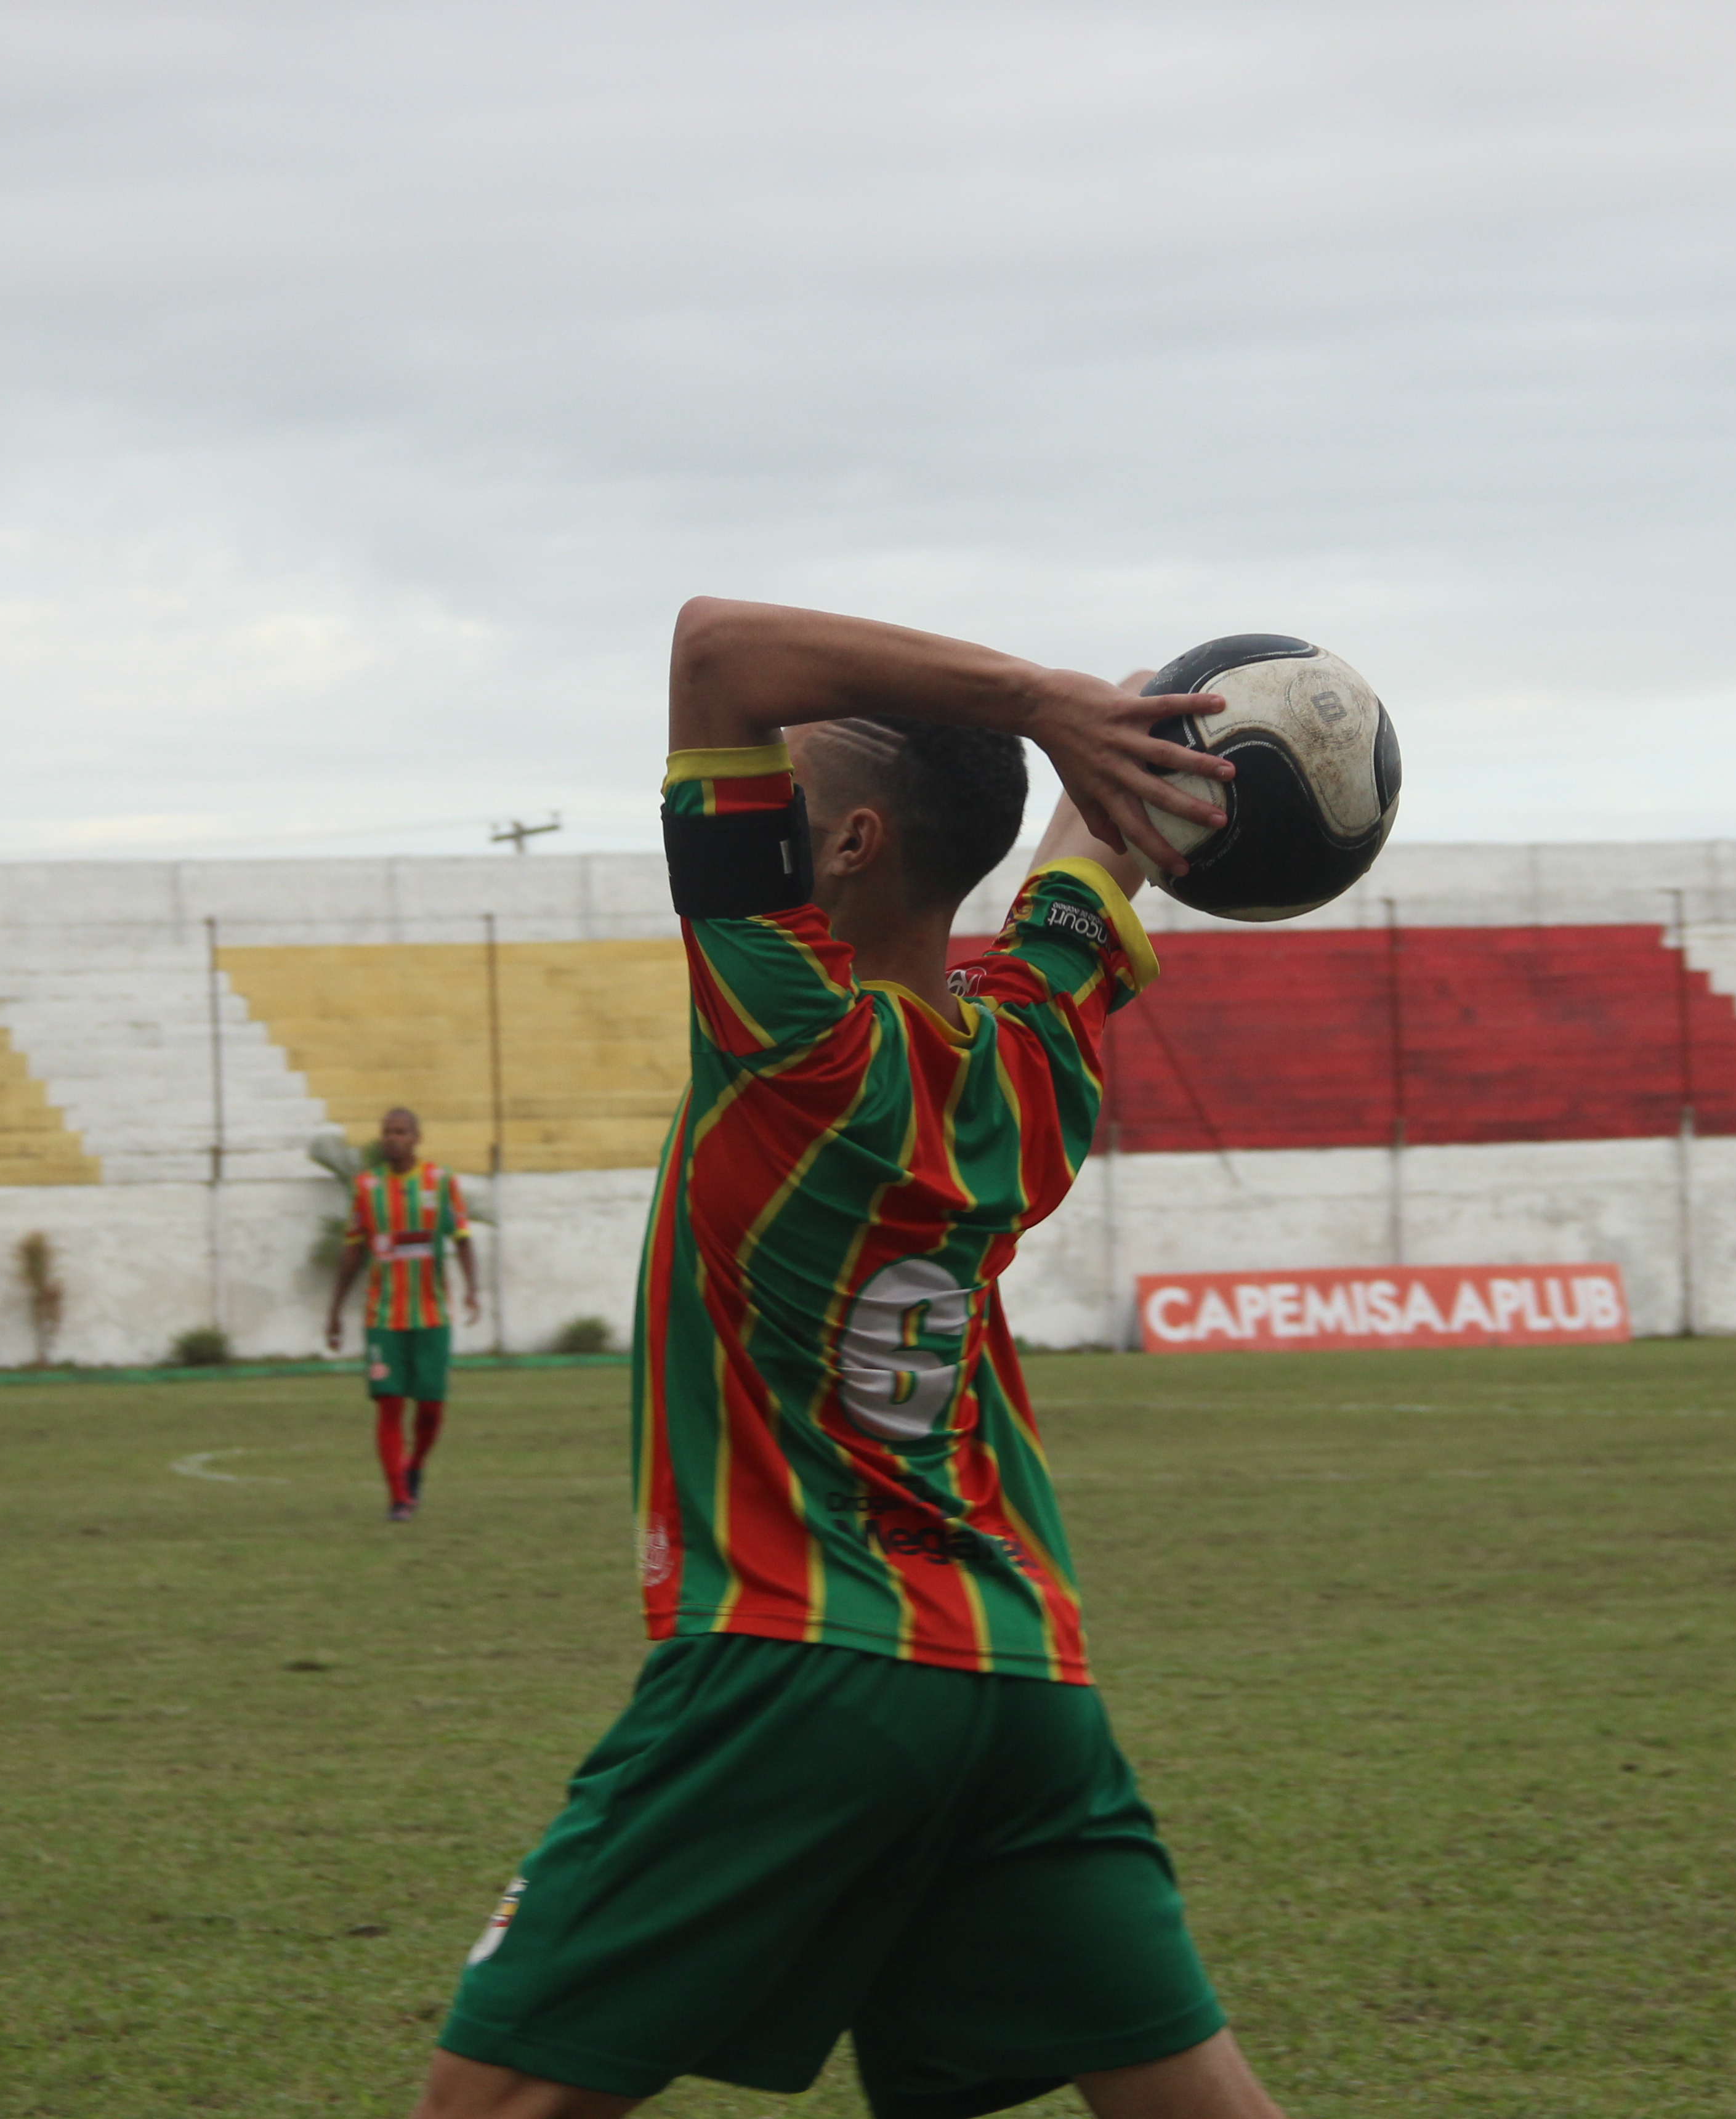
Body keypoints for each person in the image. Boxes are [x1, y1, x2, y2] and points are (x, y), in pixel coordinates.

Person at [411, 599, 1290, 2119]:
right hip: (1018, 1676)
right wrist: (1130, 736)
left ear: (849, 844)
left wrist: (1039, 701)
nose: (754, 775)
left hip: (800, 1660)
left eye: (786, 781)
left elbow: (713, 650)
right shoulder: (1032, 1058)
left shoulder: (783, 1031)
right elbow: (1090, 862)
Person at [325, 1106, 482, 1522]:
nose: (393, 1138)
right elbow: (352, 1252)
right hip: (383, 1319)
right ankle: (400, 1498)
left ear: (417, 1137)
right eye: (387, 1132)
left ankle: (415, 1467)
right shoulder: (366, 1187)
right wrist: (335, 1311)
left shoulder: (441, 1182)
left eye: (401, 1132)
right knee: (390, 1405)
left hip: (431, 1316)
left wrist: (472, 1290)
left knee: (430, 1409)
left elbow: (462, 1239)